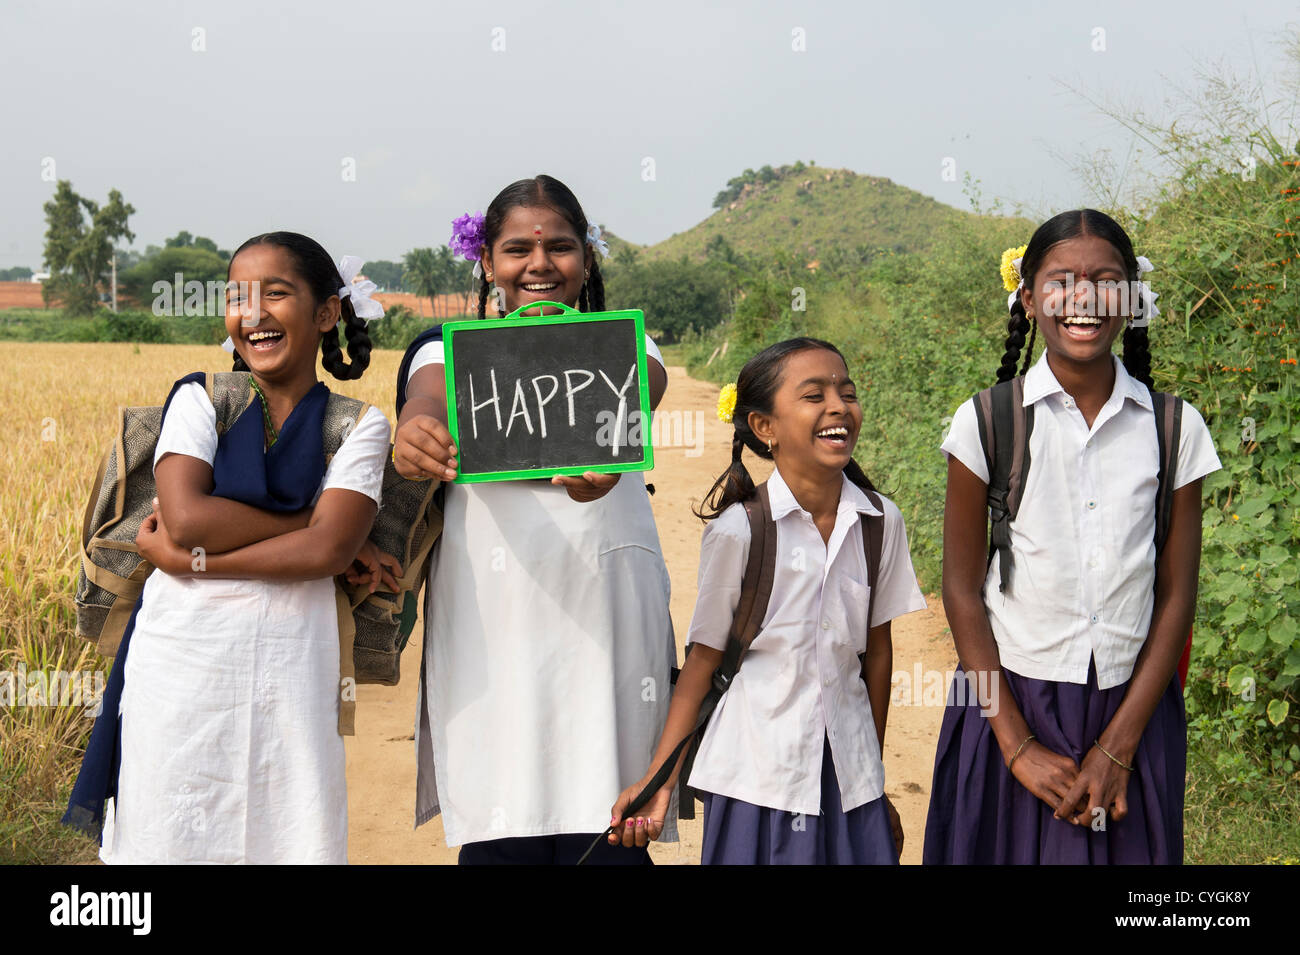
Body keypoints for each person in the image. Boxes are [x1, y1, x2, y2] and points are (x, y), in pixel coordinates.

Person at [77, 232, 394, 864]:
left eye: (276, 294)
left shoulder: (359, 425)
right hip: (180, 668)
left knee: (286, 831)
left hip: (292, 674)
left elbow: (325, 555)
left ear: (327, 312)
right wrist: (312, 521)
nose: (252, 314)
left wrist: (191, 562)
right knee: (170, 834)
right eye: (237, 297)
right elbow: (189, 516)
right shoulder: (199, 397)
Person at [923, 209, 1222, 864]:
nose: (1083, 299)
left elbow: (1176, 596)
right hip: (1008, 705)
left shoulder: (1175, 429)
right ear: (1029, 298)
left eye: (1106, 280)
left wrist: (1119, 746)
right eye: (1061, 281)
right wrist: (1017, 744)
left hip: (1133, 711)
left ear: (1133, 299)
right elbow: (962, 591)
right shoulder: (987, 423)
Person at [392, 174, 676, 865]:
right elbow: (426, 401)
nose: (540, 264)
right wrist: (417, 431)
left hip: (606, 613)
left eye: (561, 248)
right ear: (486, 262)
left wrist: (604, 454)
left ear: (587, 260)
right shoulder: (444, 349)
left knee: (606, 816)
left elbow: (634, 392)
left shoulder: (630, 348)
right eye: (517, 249)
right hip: (495, 617)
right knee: (503, 808)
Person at [610, 338, 927, 864]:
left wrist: (871, 776)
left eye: (846, 392)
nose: (837, 406)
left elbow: (877, 654)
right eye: (813, 395)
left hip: (847, 781)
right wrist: (659, 781)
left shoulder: (879, 522)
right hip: (757, 780)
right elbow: (703, 662)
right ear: (764, 427)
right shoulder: (740, 531)